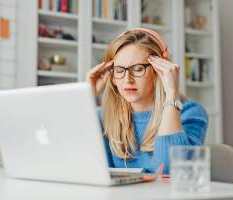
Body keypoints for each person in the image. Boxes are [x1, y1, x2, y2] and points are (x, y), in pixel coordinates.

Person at [86, 28, 208, 174]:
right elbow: (89, 168)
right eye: (119, 70)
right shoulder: (104, 117)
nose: (127, 80)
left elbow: (170, 171)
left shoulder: (190, 113)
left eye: (137, 69)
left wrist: (171, 95)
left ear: (159, 70)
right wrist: (87, 97)